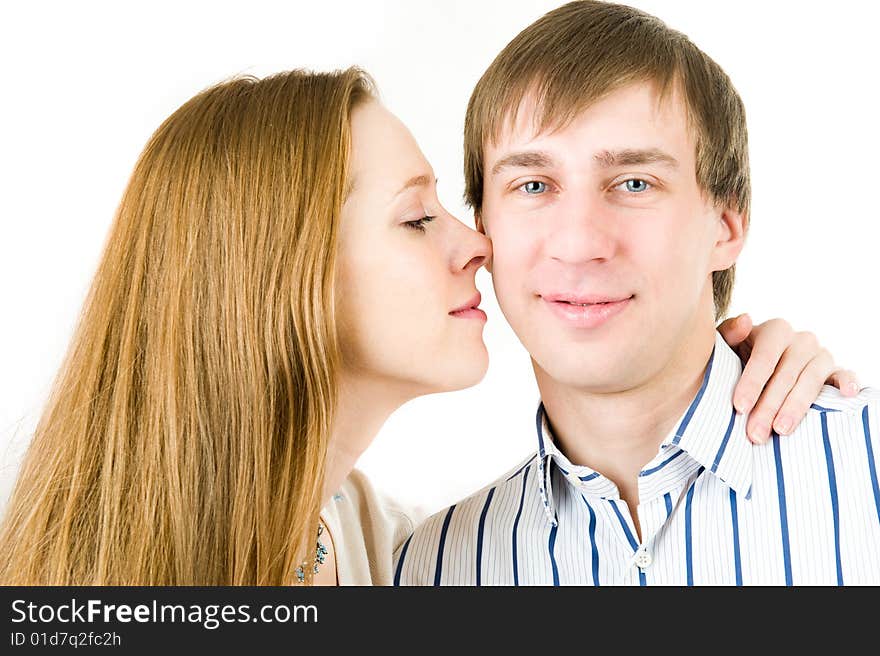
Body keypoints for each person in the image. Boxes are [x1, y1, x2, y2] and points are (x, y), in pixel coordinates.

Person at [0, 65, 856, 587]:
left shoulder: (406, 559)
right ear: (279, 274)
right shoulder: (76, 587)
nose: (477, 244)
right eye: (417, 219)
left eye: (633, 182)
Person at [393, 0, 880, 585]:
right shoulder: (432, 567)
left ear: (726, 227)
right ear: (483, 228)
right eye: (533, 184)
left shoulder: (867, 466)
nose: (578, 243)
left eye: (634, 182)